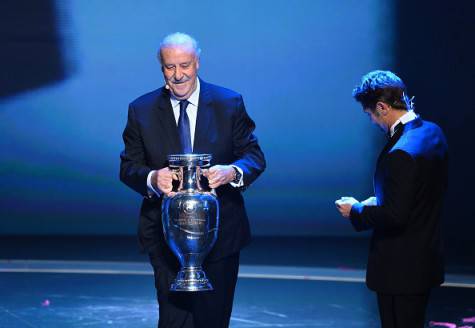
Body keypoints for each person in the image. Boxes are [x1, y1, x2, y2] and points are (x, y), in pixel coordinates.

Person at [119, 32, 266, 328]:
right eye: (169, 67)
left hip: (220, 233)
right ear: (161, 68)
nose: (178, 75)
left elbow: (254, 157)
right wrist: (151, 178)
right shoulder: (142, 109)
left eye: (184, 65)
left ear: (197, 63)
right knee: (174, 320)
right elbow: (128, 167)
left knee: (212, 320)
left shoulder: (229, 103)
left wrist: (231, 172)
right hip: (165, 236)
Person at [335, 70, 448, 328]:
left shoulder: (401, 152)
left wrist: (356, 210)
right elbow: (419, 191)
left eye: (370, 115)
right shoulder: (432, 132)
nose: (372, 122)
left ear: (382, 107)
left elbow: (396, 216)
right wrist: (381, 199)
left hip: (401, 269)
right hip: (424, 259)